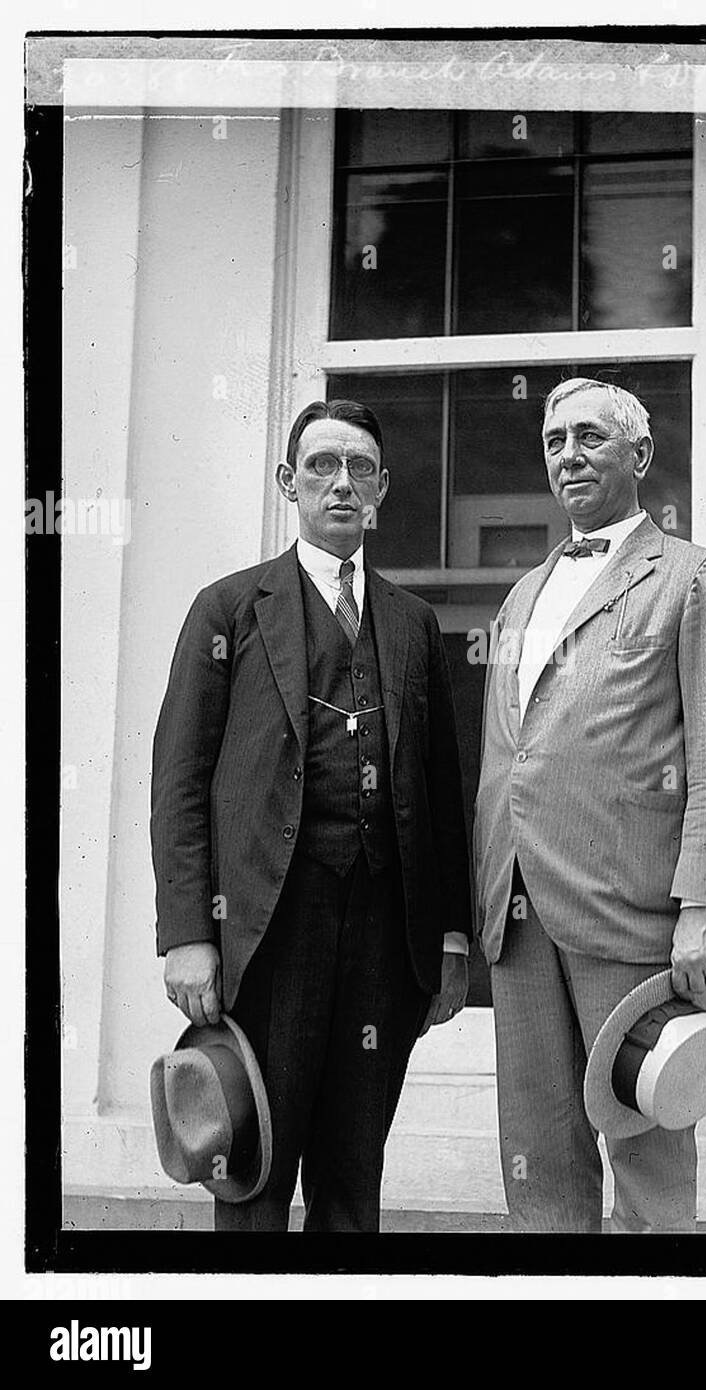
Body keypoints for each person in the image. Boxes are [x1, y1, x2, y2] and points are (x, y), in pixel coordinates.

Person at [150, 399, 471, 1232]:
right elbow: (179, 780)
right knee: (254, 1176)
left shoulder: (412, 623)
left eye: (359, 468)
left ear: (382, 489)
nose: (341, 484)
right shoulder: (228, 610)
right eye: (323, 466)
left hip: (381, 943)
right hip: (266, 936)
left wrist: (450, 936)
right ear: (290, 484)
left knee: (353, 1184)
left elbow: (442, 789)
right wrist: (189, 932)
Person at [474, 378, 706, 1233]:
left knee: (645, 1153)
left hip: (634, 915)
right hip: (520, 913)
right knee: (535, 1158)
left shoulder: (694, 579)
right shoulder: (522, 594)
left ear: (639, 455)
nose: (568, 455)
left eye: (590, 438)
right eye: (555, 439)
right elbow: (515, 756)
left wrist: (705, 905)